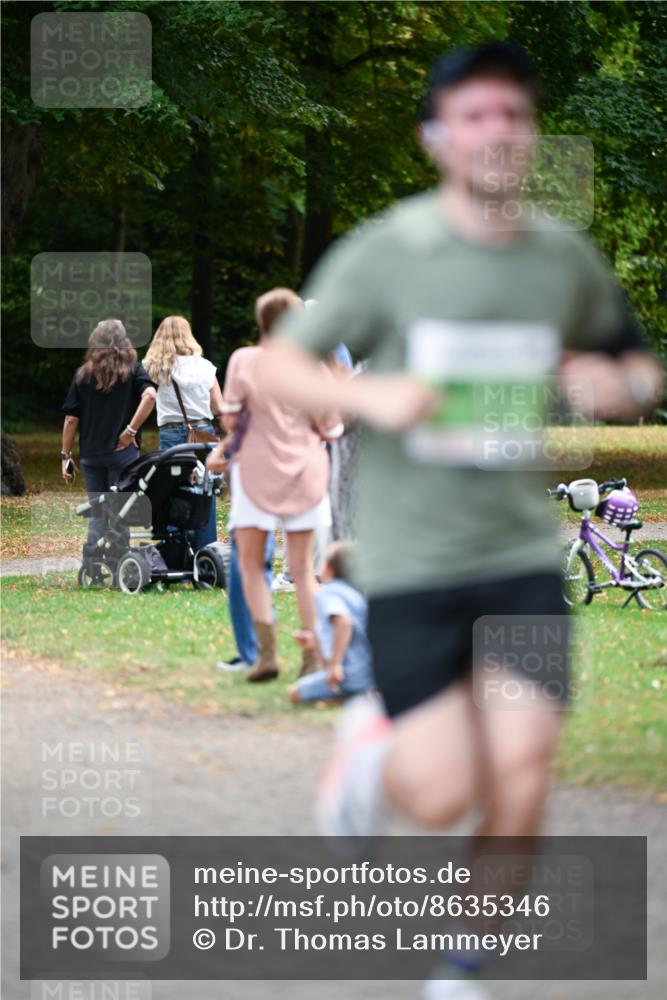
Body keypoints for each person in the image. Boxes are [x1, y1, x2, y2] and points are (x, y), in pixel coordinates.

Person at [256, 40, 663, 997]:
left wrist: (614, 384)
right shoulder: (388, 250)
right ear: (436, 136)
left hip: (519, 559)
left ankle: (462, 967)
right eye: (474, 115)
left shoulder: (560, 258)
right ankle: (368, 751)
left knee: (523, 771)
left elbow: (637, 366)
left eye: (513, 115)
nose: (496, 132)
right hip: (414, 563)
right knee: (440, 795)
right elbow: (281, 365)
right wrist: (374, 396)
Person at [206, 288, 343, 683]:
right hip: (306, 473)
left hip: (256, 471)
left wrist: (226, 448)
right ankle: (312, 655)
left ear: (261, 322)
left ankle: (267, 655)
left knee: (250, 565)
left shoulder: (245, 360)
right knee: (302, 570)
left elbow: (232, 420)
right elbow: (331, 428)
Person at [61, 319, 157, 548]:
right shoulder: (133, 370)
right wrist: (130, 431)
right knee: (120, 511)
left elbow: (71, 419)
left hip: (91, 454)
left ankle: (92, 561)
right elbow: (150, 396)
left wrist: (65, 455)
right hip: (123, 453)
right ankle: (119, 560)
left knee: (98, 511)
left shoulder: (82, 374)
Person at [143, 315, 224, 549]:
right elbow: (218, 406)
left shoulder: (156, 367)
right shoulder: (206, 367)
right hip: (203, 433)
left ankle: (175, 548)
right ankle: (205, 549)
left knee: (171, 488)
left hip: (171, 435)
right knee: (205, 488)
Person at [290, 541, 373, 705]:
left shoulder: (330, 593)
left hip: (347, 675)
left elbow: (343, 622)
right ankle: (361, 694)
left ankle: (347, 696)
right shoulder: (356, 594)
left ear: (328, 568)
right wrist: (314, 641)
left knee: (296, 692)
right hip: (369, 673)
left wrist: (335, 664)